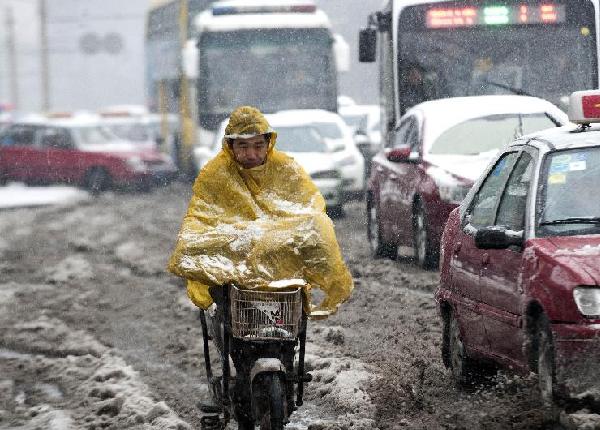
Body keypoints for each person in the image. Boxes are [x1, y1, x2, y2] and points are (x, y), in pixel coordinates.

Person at [167, 105, 353, 420]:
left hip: (283, 282)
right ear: (230, 146)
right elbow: (202, 220)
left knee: (287, 340)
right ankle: (238, 388)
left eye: (258, 145)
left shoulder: (288, 172)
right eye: (243, 146)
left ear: (269, 143)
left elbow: (309, 216)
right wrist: (224, 245)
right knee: (237, 347)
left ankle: (281, 377)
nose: (252, 154)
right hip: (234, 281)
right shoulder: (215, 176)